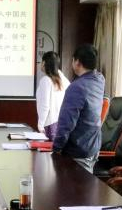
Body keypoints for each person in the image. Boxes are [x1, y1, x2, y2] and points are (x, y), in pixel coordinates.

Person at [52, 44, 105, 173]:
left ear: (77, 62)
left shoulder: (76, 87)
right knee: (87, 184)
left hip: (78, 151)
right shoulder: (99, 80)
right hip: (93, 147)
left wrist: (56, 148)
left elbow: (66, 123)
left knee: (73, 185)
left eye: (73, 60)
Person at [35, 51, 70, 140]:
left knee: (48, 148)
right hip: (61, 123)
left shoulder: (46, 80)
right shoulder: (63, 79)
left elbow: (45, 105)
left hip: (49, 124)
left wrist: (40, 124)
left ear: (44, 63)